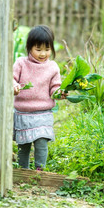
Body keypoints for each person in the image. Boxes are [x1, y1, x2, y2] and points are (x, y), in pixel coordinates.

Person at [13, 25, 65, 170]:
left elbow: (55, 88)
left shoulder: (53, 67)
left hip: (43, 113)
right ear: (29, 47)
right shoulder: (21, 63)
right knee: (24, 145)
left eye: (47, 50)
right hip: (24, 113)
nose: (43, 54)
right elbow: (11, 79)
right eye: (38, 49)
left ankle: (39, 171)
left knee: (41, 143)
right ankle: (23, 170)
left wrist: (60, 93)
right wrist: (14, 86)